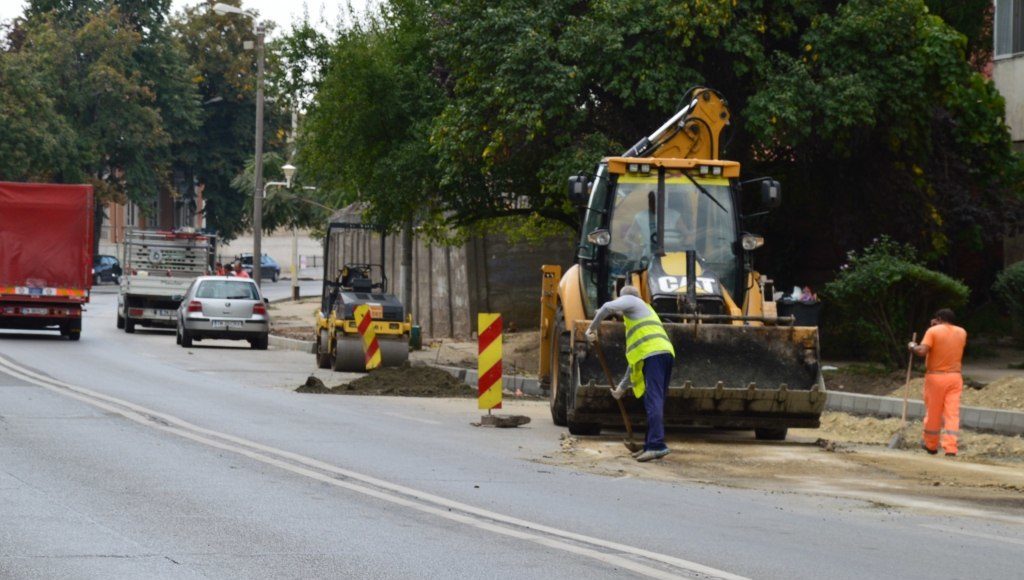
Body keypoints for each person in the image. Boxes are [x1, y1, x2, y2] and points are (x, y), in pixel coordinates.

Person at [585, 286, 676, 462]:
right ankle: (650, 445)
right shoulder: (643, 314)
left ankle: (657, 445)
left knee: (654, 400)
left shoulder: (632, 300)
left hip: (655, 355)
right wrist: (621, 387)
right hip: (662, 354)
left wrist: (592, 329)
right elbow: (634, 359)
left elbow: (606, 307)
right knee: (654, 400)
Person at [909, 308, 968, 457]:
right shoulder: (962, 332)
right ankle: (951, 448)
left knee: (934, 413)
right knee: (952, 413)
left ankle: (931, 445)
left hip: (936, 377)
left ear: (939, 319)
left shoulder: (933, 331)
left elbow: (922, 351)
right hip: (955, 377)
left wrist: (912, 346)